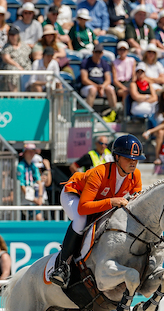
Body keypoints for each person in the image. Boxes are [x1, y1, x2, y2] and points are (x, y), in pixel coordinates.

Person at [51, 134, 144, 288]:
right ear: (117, 157)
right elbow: (83, 208)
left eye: (136, 159)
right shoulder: (100, 172)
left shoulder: (136, 176)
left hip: (98, 200)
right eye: (128, 158)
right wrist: (111, 202)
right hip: (74, 194)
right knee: (81, 220)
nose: (133, 162)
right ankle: (61, 267)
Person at [81, 45, 117, 113]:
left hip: (101, 86)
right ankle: (88, 114)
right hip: (88, 87)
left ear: (102, 53)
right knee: (93, 90)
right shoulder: (86, 62)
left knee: (110, 89)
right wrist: (97, 86)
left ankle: (114, 112)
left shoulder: (105, 63)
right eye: (96, 52)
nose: (98, 54)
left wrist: (102, 86)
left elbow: (108, 80)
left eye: (99, 52)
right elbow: (84, 79)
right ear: (93, 52)